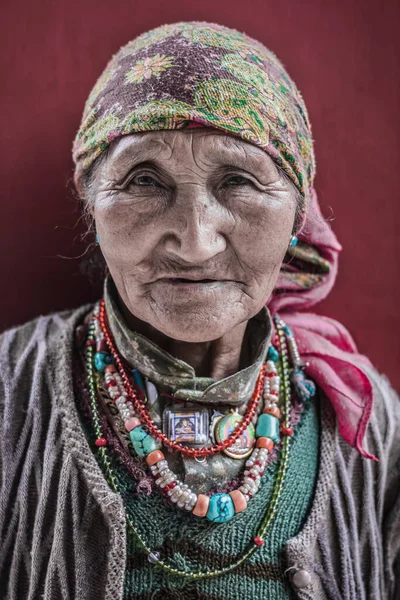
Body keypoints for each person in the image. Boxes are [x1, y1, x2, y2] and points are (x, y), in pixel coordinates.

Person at [0, 21, 399, 600]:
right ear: (91, 205)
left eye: (238, 181)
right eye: (143, 180)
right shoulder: (11, 391)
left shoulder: (368, 425)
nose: (195, 242)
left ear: (297, 215)